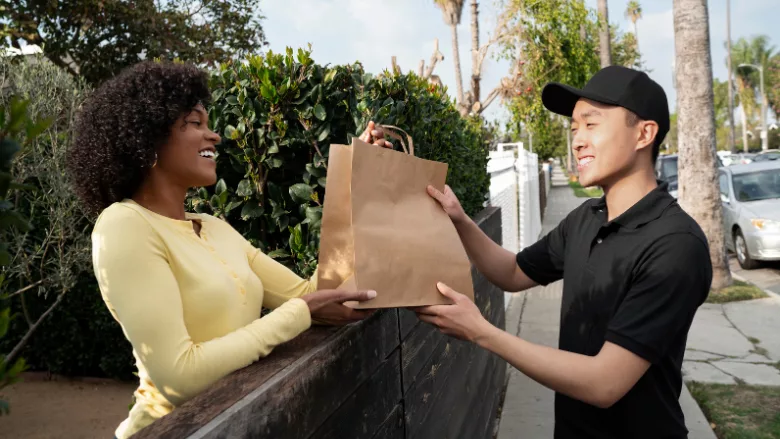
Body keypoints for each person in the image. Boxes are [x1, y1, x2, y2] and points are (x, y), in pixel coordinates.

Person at [66, 61, 391, 439]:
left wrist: (354, 183)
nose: (214, 136)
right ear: (148, 139)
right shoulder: (125, 224)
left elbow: (317, 295)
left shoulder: (214, 227)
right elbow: (179, 378)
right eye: (195, 123)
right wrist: (296, 315)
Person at [416, 66, 713, 438]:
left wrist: (482, 332)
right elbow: (511, 272)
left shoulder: (675, 244)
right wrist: (459, 219)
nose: (577, 141)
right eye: (574, 128)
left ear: (644, 133)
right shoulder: (584, 219)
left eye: (592, 125)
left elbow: (605, 383)